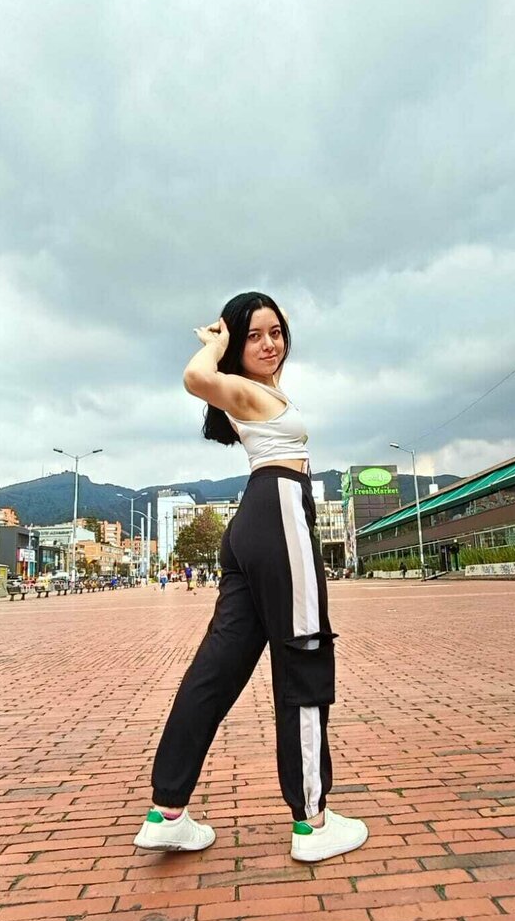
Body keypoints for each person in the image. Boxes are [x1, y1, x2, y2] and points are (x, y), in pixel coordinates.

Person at [134, 292, 368, 863]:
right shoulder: (244, 390)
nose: (269, 344)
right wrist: (216, 344)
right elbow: (195, 378)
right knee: (304, 654)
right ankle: (313, 822)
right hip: (280, 511)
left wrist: (227, 348)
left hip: (254, 521)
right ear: (236, 346)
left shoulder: (261, 393)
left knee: (218, 667)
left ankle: (167, 812)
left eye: (276, 331)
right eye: (254, 335)